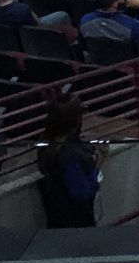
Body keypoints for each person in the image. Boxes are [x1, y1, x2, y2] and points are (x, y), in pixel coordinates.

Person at [36, 96, 101, 228]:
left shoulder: (47, 142)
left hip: (57, 221)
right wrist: (99, 161)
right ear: (76, 120)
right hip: (76, 225)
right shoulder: (70, 155)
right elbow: (83, 193)